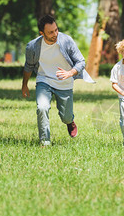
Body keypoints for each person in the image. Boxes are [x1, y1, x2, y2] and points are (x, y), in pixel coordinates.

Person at [22, 15, 88, 146]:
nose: (55, 34)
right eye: (50, 32)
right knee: (42, 107)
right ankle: (45, 141)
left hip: (64, 82)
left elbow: (81, 62)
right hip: (44, 80)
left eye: (56, 30)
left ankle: (69, 121)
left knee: (66, 116)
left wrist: (70, 73)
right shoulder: (33, 47)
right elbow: (28, 66)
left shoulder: (66, 41)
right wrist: (24, 85)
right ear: (42, 33)